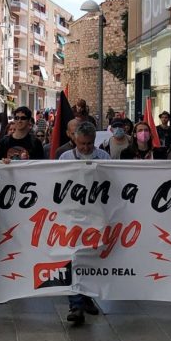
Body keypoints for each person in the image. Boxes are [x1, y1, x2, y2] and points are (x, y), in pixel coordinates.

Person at [59, 121, 108, 325]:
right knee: (73, 257)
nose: (86, 148)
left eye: (89, 144)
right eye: (82, 144)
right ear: (74, 141)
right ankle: (76, 305)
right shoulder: (65, 158)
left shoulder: (104, 158)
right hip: (71, 215)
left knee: (90, 257)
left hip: (95, 215)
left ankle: (86, 297)